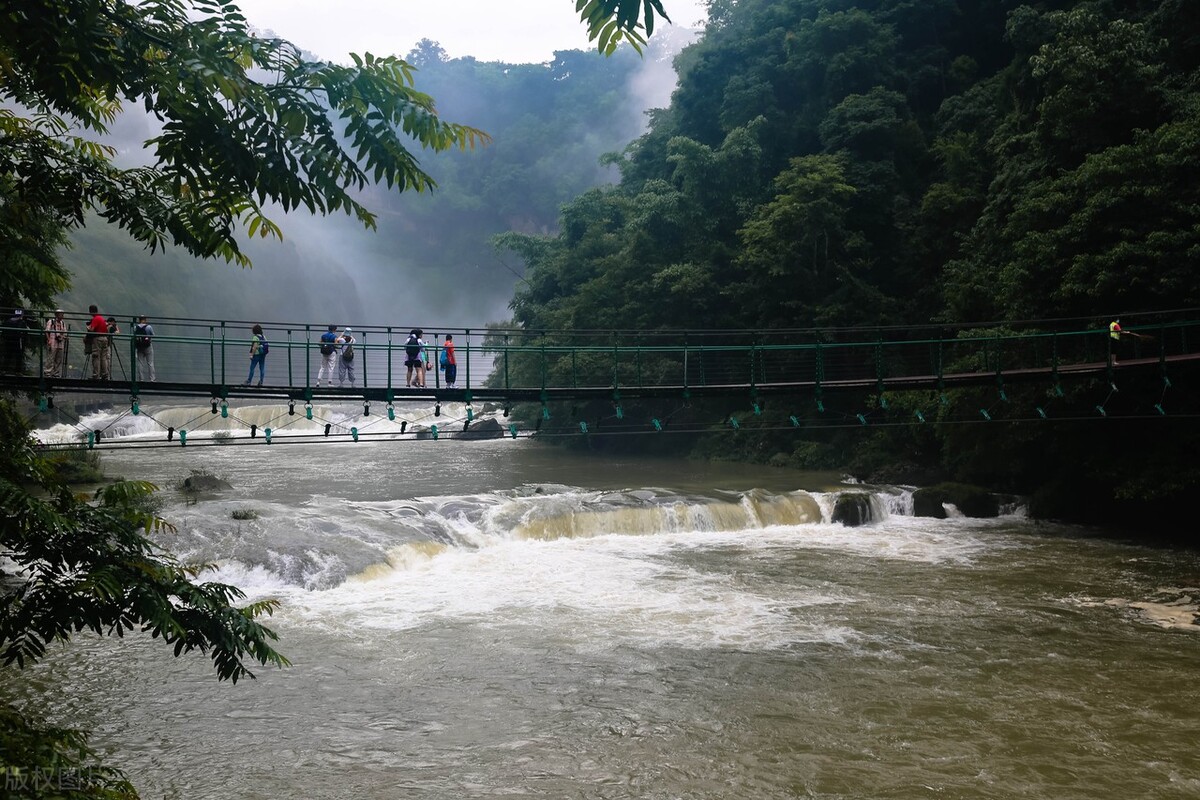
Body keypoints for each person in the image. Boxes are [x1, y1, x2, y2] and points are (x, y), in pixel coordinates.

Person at [86, 305, 111, 379]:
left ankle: (95, 375)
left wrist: (88, 328)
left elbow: (92, 330)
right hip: (105, 338)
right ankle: (105, 374)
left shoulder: (95, 319)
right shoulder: (101, 318)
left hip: (98, 339)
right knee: (103, 357)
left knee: (96, 356)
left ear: (90, 311)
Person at [2, 308, 29, 374]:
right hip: (17, 340)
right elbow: (24, 332)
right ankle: (18, 371)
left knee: (8, 355)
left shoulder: (8, 321)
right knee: (19, 356)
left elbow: (3, 331)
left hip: (8, 340)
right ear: (22, 315)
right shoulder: (21, 322)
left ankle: (4, 370)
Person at [43, 309, 67, 378]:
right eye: (61, 314)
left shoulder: (62, 323)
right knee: (51, 357)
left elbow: (65, 332)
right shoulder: (51, 322)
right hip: (52, 341)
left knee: (58, 358)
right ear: (56, 315)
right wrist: (49, 340)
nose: (62, 315)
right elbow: (47, 331)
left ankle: (56, 372)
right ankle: (48, 371)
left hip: (60, 342)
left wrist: (62, 337)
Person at [133, 314, 156, 381]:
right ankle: (152, 379)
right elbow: (153, 335)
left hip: (139, 347)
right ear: (145, 320)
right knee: (150, 363)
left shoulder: (135, 327)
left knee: (140, 363)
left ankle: (141, 379)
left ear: (139, 320)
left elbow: (134, 336)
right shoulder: (149, 327)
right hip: (148, 346)